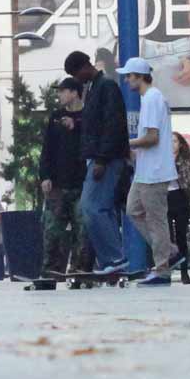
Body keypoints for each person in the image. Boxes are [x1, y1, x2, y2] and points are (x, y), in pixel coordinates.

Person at [70, 50, 132, 278]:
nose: (76, 79)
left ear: (85, 66)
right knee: (101, 208)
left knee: (91, 207)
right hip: (101, 157)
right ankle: (114, 259)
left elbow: (112, 124)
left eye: (75, 73)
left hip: (106, 158)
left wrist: (101, 159)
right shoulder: (94, 88)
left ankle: (114, 257)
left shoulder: (106, 86)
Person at [116, 57, 177, 286]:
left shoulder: (152, 98)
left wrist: (128, 144)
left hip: (154, 172)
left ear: (140, 76)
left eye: (129, 76)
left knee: (156, 219)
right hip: (146, 170)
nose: (127, 80)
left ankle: (162, 268)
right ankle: (169, 251)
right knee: (133, 210)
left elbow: (152, 137)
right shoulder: (151, 98)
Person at [38, 79, 89, 273]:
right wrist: (45, 176)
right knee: (52, 231)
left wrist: (76, 126)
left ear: (74, 92)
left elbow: (93, 138)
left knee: (82, 231)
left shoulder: (87, 116)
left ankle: (79, 272)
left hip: (82, 183)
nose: (59, 95)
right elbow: (47, 149)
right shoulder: (56, 117)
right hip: (57, 184)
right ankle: (50, 273)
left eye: (62, 91)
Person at [167, 128, 190, 273]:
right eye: (169, 141)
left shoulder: (186, 160)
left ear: (180, 144)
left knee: (181, 236)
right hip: (165, 197)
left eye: (174, 141)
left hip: (181, 197)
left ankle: (184, 271)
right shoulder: (162, 159)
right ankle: (167, 267)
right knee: (167, 235)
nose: (172, 144)